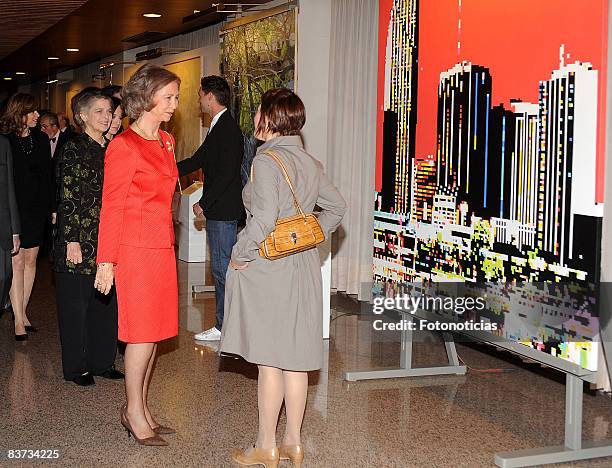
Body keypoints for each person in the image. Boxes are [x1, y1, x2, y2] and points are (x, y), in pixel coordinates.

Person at [220, 88, 346, 468]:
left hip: (271, 269)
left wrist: (238, 256)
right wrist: (309, 235)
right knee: (295, 359)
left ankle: (265, 446)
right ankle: (293, 442)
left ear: (269, 118)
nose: (254, 115)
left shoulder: (266, 161)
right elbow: (337, 208)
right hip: (304, 265)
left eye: (258, 109)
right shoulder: (309, 161)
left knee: (269, 361)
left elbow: (262, 220)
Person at [95, 63, 180, 446]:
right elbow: (111, 207)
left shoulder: (166, 141)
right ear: (147, 98)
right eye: (169, 97)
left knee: (156, 334)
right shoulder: (123, 146)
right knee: (141, 335)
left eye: (176, 97)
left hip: (161, 245)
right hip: (135, 250)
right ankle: (132, 412)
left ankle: (143, 407)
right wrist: (106, 261)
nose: (175, 104)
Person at [53, 89, 124, 386]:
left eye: (109, 111)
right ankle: (76, 367)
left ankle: (102, 361)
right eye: (99, 111)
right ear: (82, 116)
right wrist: (71, 240)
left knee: (104, 304)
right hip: (79, 239)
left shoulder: (112, 148)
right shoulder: (74, 148)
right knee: (75, 306)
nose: (107, 117)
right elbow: (68, 195)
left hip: (107, 240)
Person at [177, 75, 244, 341]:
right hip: (221, 210)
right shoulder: (219, 126)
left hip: (224, 211)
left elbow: (227, 174)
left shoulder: (227, 129)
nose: (198, 100)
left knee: (222, 269)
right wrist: (163, 169)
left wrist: (204, 203)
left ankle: (224, 326)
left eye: (200, 95)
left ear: (209, 97)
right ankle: (226, 324)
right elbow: (198, 160)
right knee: (220, 268)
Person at [0, 93, 54, 340]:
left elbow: (48, 176)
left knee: (31, 260)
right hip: (15, 208)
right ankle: (18, 319)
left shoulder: (41, 139)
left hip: (37, 208)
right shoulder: (6, 141)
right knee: (17, 261)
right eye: (32, 112)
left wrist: (52, 207)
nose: (37, 116)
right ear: (19, 113)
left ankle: (21, 310)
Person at [0, 135, 20, 313]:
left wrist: (15, 230)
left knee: (5, 275)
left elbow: (9, 187)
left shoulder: (4, 143)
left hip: (3, 224)